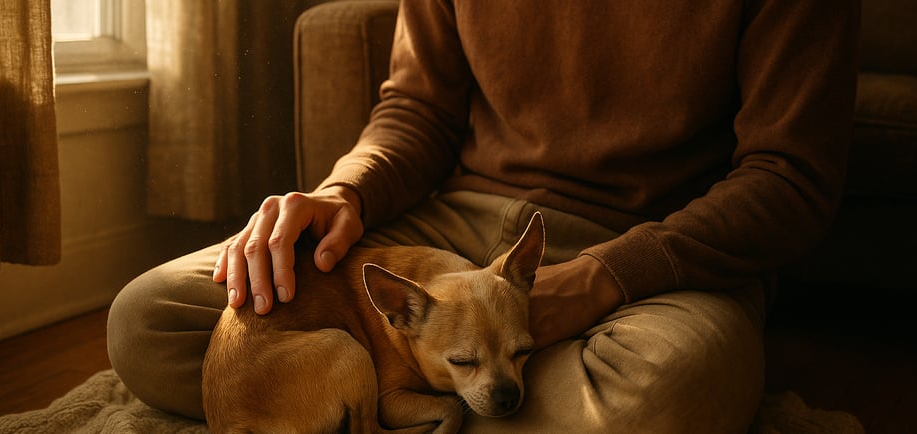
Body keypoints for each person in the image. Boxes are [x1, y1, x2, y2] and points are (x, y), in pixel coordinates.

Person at [108, 1, 860, 432]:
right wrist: (346, 193)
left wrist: (603, 276)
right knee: (146, 321)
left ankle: (409, 392)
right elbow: (417, 110)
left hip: (653, 252)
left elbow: (790, 180)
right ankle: (421, 387)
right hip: (448, 228)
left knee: (660, 392)